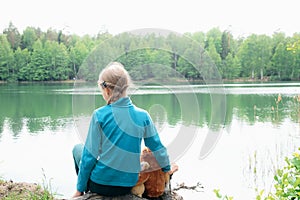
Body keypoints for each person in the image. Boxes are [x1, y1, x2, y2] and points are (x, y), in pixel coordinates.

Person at [72, 62, 171, 198]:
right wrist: (167, 168)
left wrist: (79, 188)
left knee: (78, 149)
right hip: (128, 184)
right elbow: (157, 147)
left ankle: (85, 191)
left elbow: (89, 156)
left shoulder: (99, 115)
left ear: (107, 90)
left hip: (100, 185)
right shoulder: (143, 116)